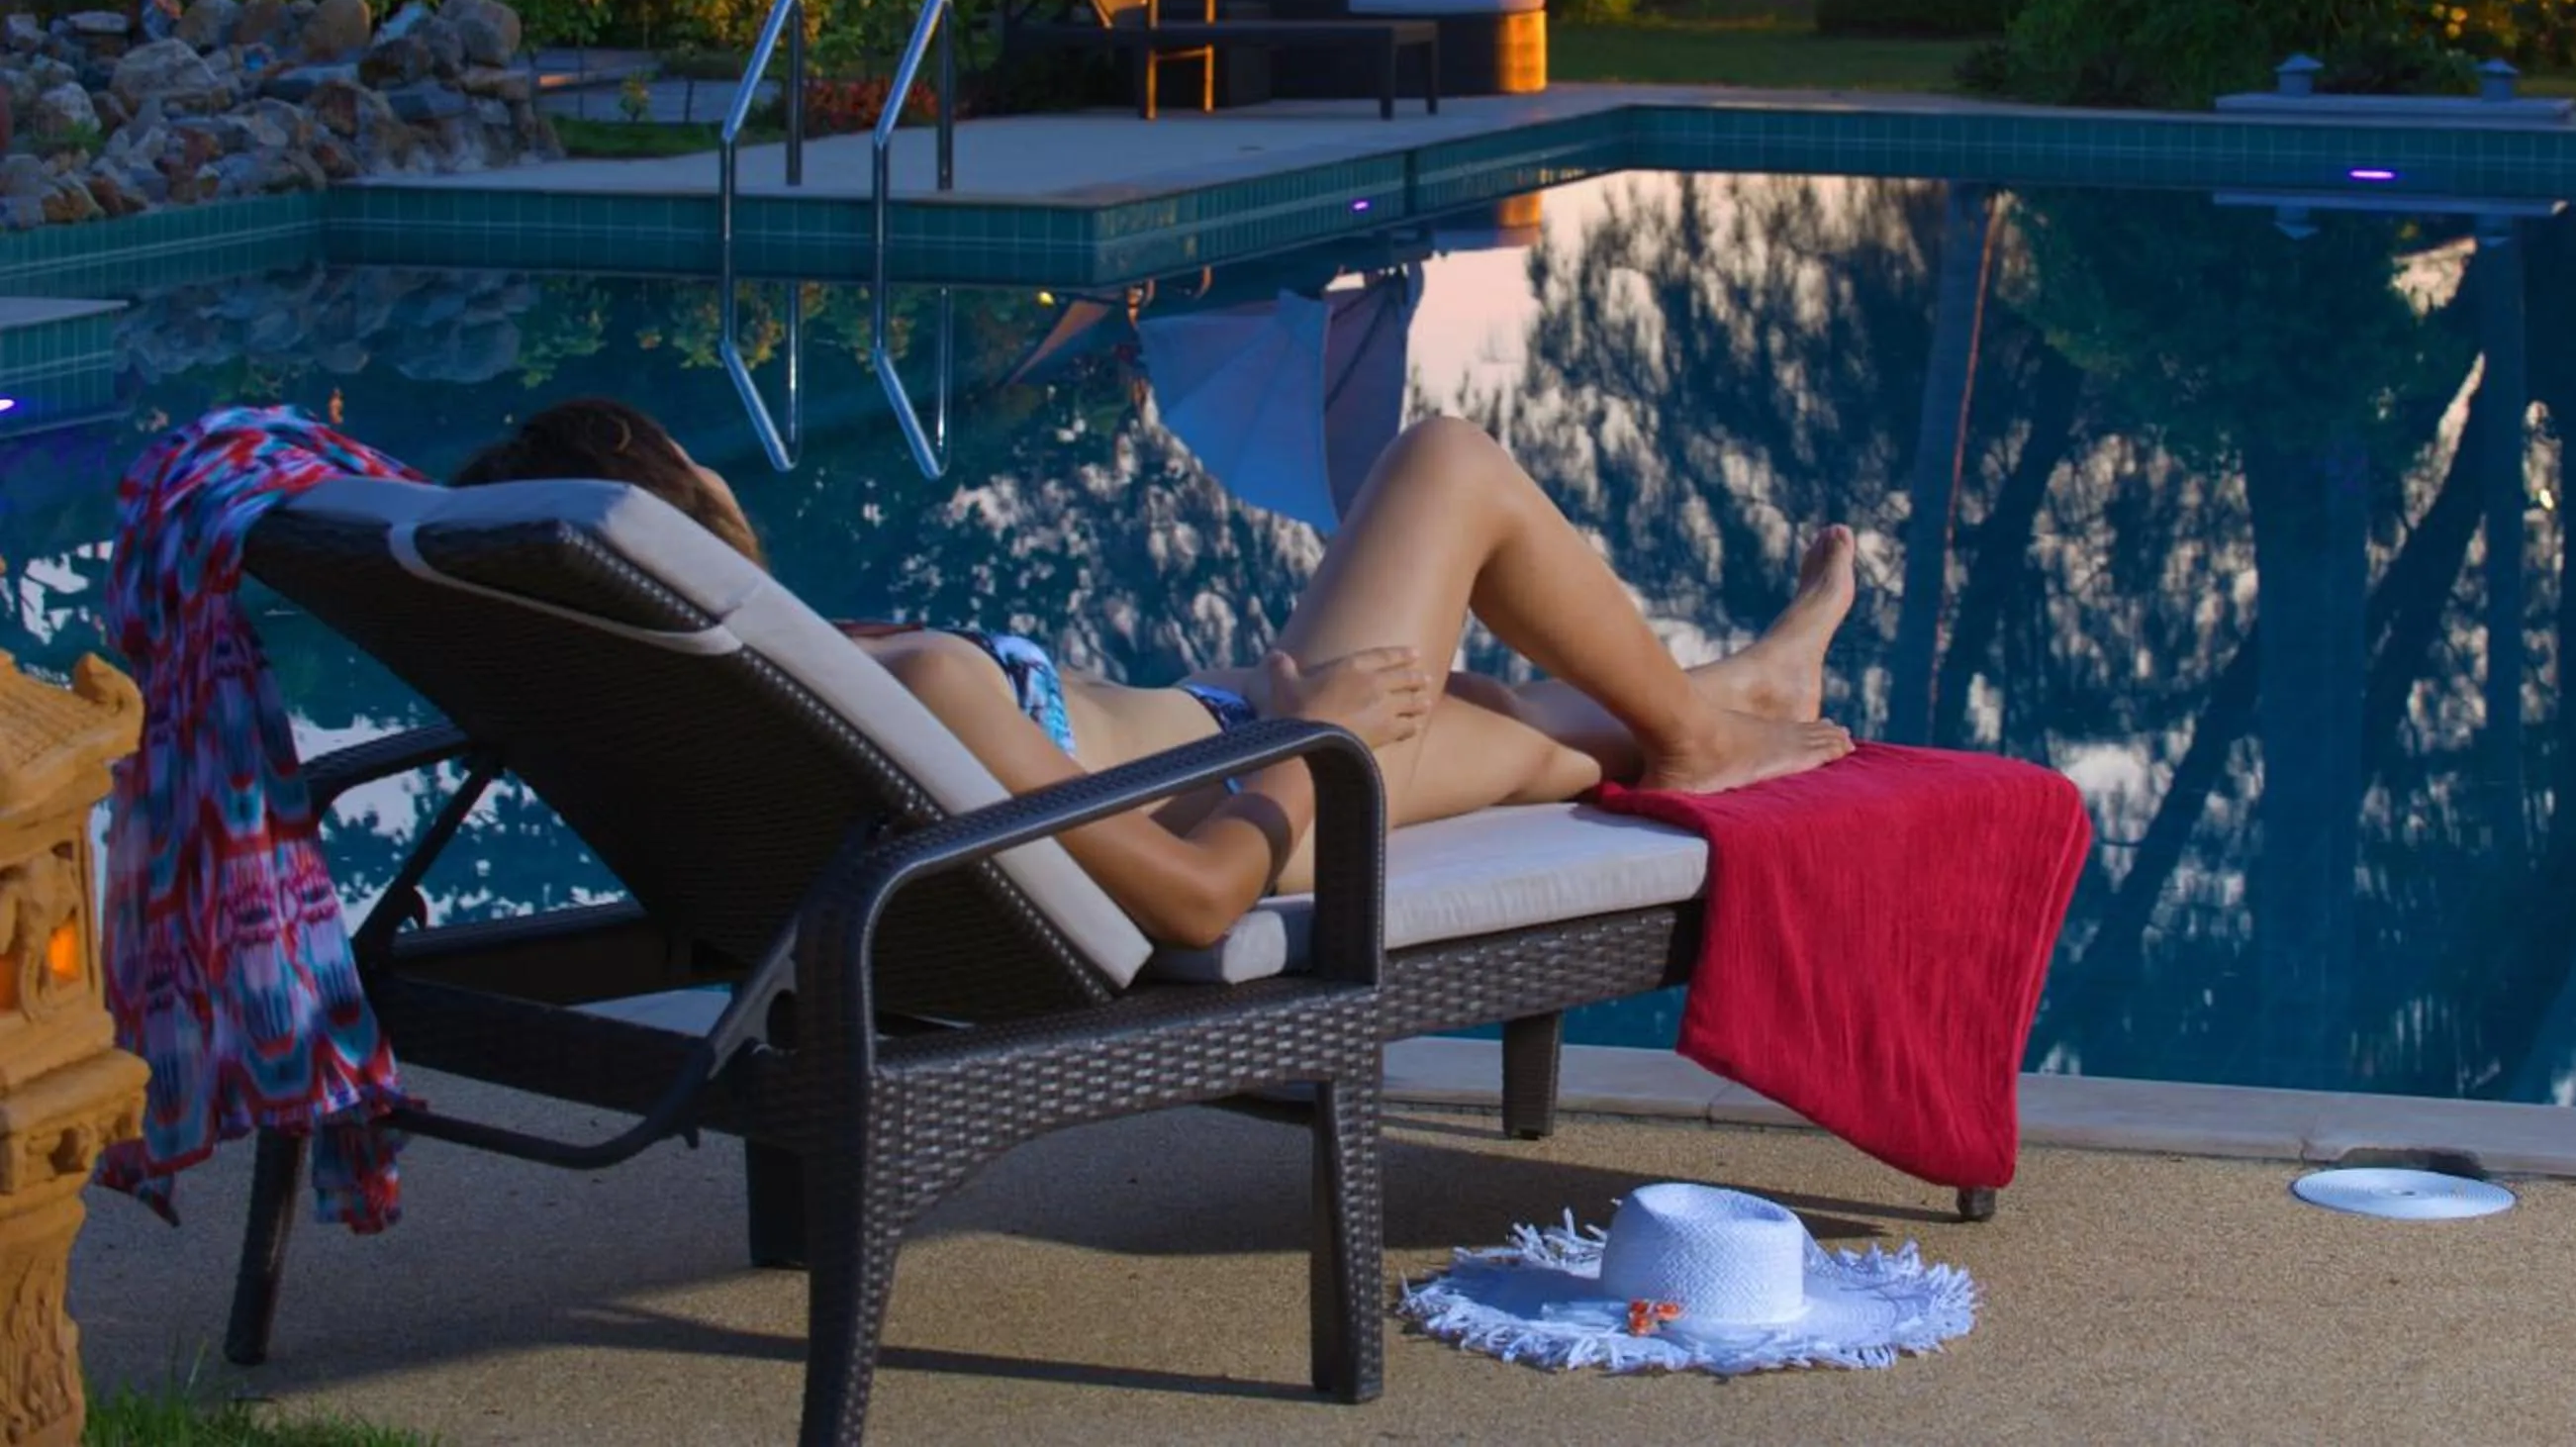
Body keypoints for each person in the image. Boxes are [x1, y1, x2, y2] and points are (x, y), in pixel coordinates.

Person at [454, 398, 1858, 949]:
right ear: (700, 518)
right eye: (707, 470)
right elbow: (1193, 903)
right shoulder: (916, 686)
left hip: (1230, 735)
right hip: (1264, 791)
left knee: (1511, 715)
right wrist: (1305, 740)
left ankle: (1749, 679)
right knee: (1448, 465)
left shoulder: (728, 703)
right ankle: (1701, 735)